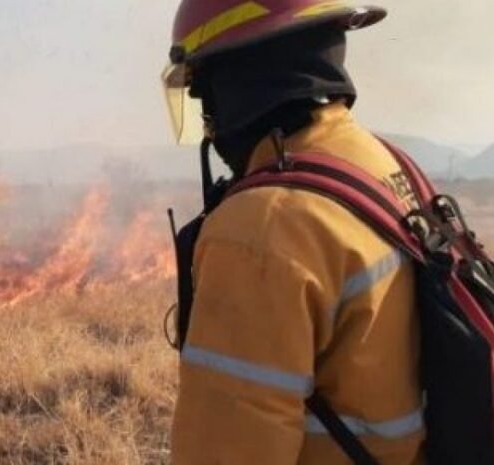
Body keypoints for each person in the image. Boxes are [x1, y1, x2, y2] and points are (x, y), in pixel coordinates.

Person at [163, 1, 425, 464]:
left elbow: (227, 451)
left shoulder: (262, 228)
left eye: (204, 95)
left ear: (236, 81)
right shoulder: (383, 163)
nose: (209, 121)